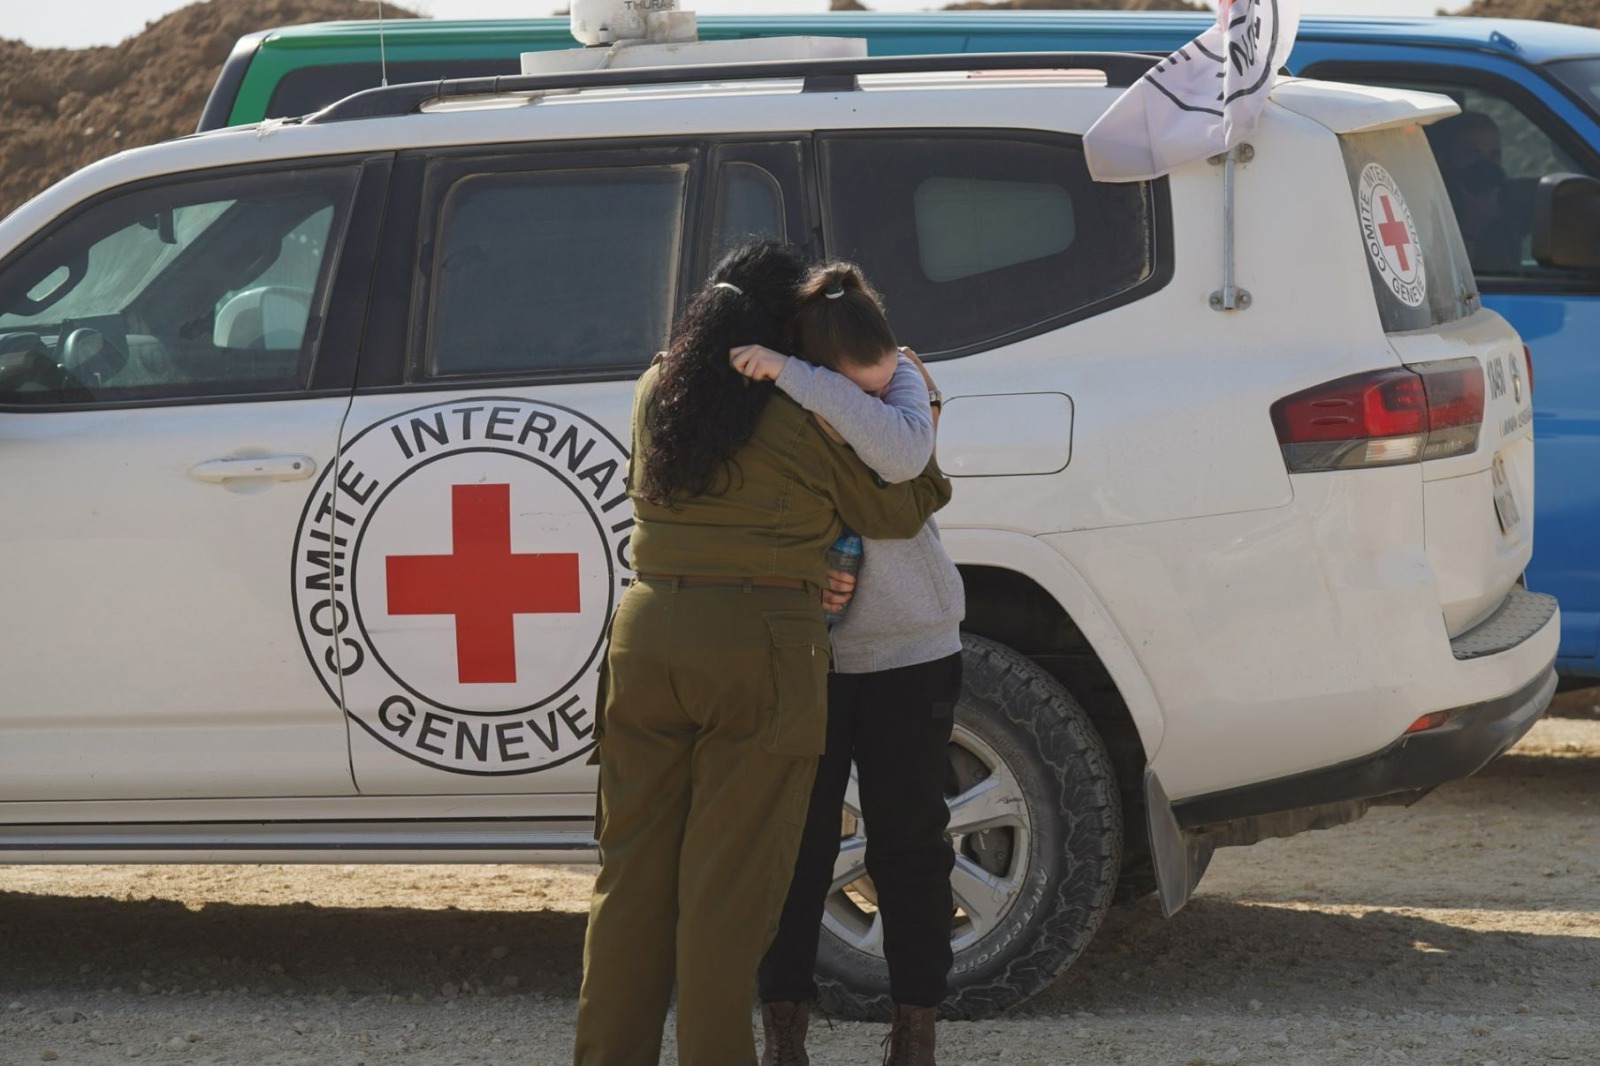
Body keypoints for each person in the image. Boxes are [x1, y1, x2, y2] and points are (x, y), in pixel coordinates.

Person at [573, 241, 953, 1066]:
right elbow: (898, 504)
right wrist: (920, 403)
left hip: (646, 636)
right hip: (756, 647)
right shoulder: (799, 411)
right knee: (726, 890)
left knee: (628, 881)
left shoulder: (655, 387)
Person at [730, 262, 965, 1066]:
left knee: (911, 847)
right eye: (852, 379)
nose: (879, 382)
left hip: (913, 650)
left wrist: (803, 378)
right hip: (811, 655)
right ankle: (784, 1037)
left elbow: (900, 456)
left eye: (882, 367)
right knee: (795, 850)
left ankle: (915, 1037)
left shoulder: (902, 376)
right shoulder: (776, 395)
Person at [1427, 109, 1525, 273]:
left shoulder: (1509, 202)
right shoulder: (1427, 211)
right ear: (1444, 161)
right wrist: (1472, 223)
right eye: (1473, 154)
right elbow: (1446, 278)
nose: (1486, 165)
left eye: (1494, 155)